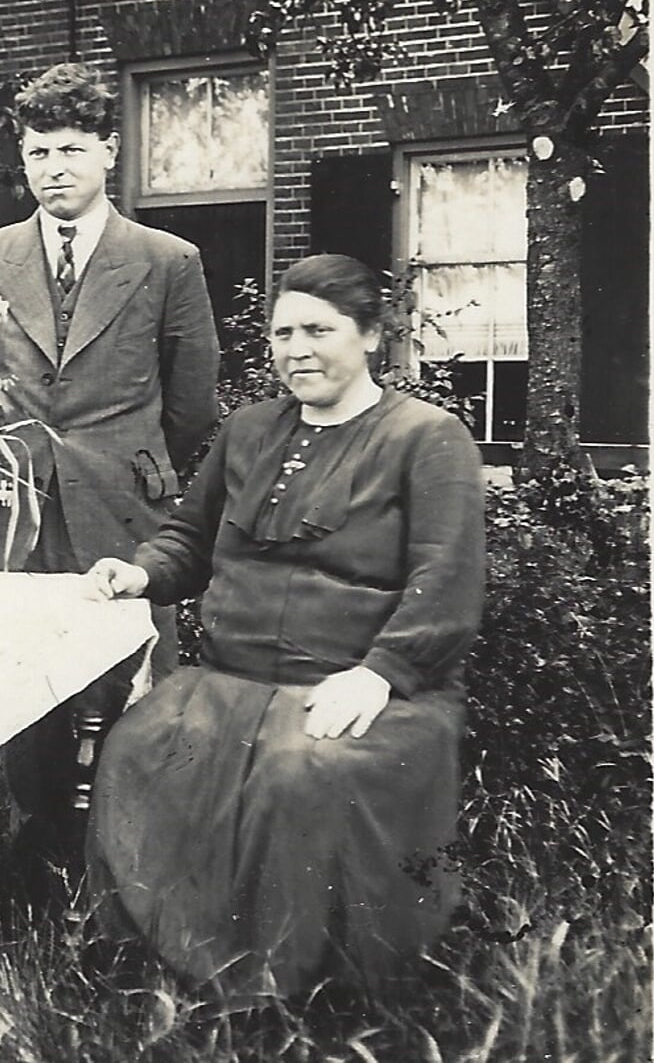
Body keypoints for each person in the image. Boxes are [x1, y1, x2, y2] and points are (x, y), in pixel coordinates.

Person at [83, 254, 485, 999]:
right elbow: (190, 540)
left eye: (319, 331)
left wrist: (379, 672)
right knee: (139, 748)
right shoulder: (248, 430)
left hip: (371, 688)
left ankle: (298, 989)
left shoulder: (427, 437)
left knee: (300, 772)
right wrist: (141, 571)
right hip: (232, 683)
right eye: (281, 334)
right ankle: (162, 962)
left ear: (369, 335)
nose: (296, 349)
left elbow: (447, 587)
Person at [0, 62, 220, 881]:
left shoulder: (168, 260)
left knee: (131, 686)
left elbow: (193, 401)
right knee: (25, 684)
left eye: (71, 149)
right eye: (37, 153)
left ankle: (137, 857)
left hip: (123, 510)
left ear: (108, 153)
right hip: (15, 506)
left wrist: (126, 462)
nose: (54, 168)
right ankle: (40, 851)